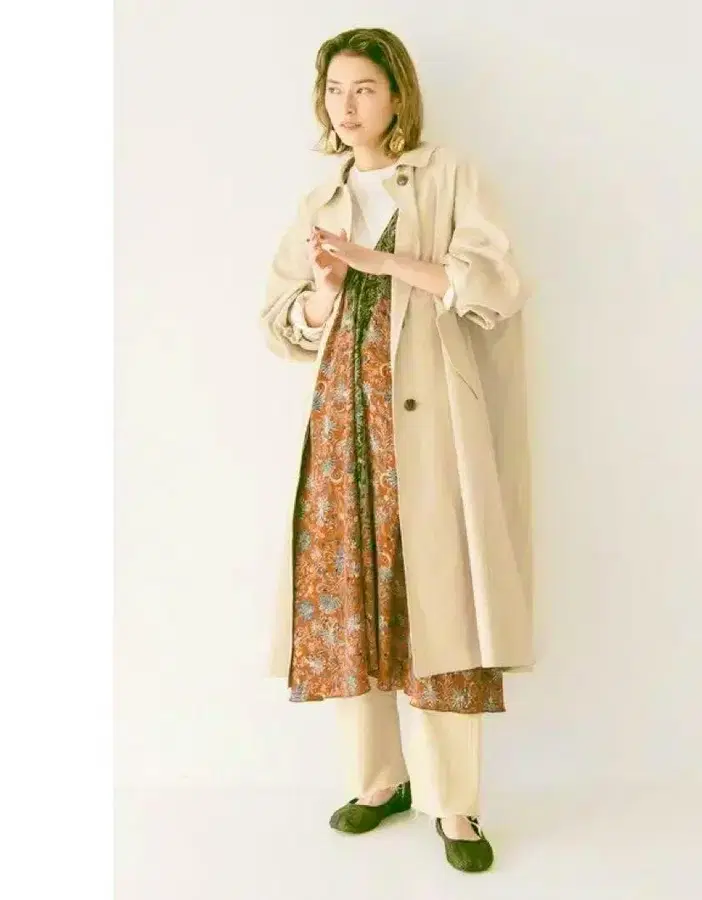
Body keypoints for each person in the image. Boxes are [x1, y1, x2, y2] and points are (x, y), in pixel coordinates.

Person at [260, 27, 533, 873]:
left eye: (364, 89)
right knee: (354, 598)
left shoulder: (447, 175)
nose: (347, 106)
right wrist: (326, 289)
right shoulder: (321, 199)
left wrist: (380, 260)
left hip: (428, 424)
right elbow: (281, 322)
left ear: (397, 96)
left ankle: (455, 806)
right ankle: (379, 782)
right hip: (344, 422)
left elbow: (493, 282)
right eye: (334, 90)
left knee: (438, 600)